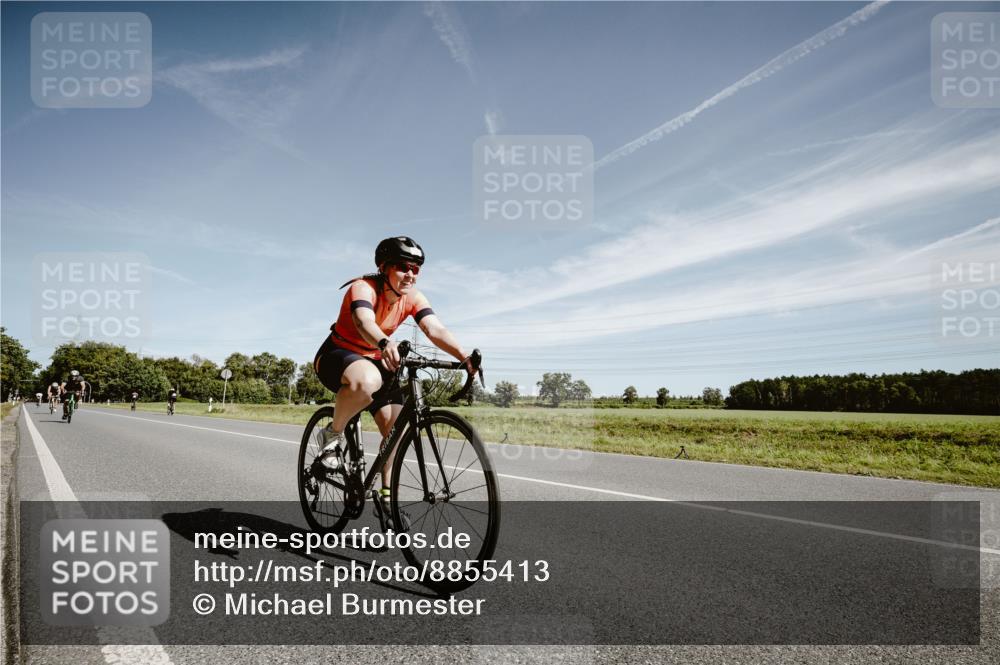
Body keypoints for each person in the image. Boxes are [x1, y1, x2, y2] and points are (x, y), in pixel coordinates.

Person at [312, 236, 477, 520]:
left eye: (416, 268)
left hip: (378, 358)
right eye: (403, 267)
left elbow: (434, 329)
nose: (410, 274)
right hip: (338, 354)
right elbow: (365, 322)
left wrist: (464, 356)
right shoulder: (362, 287)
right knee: (367, 381)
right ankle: (332, 434)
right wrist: (384, 342)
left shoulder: (413, 297)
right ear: (384, 267)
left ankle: (388, 499)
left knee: (396, 429)